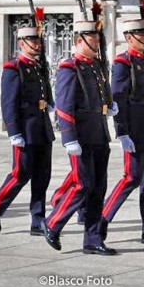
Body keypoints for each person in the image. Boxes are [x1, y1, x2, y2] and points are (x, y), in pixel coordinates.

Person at [41, 20, 118, 255]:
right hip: (81, 135)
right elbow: (64, 105)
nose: (96, 43)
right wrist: (69, 137)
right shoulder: (69, 67)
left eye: (97, 38)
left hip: (99, 133)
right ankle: (53, 222)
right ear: (78, 41)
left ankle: (93, 239)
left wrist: (109, 106)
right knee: (82, 184)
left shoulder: (96, 66)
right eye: (91, 39)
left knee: (98, 188)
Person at [99, 19, 144, 245]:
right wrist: (122, 133)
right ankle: (100, 220)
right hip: (133, 130)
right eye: (141, 34)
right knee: (131, 178)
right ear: (129, 37)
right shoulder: (123, 63)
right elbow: (118, 98)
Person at [0, 24, 55, 235]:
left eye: (38, 41)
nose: (37, 44)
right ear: (21, 43)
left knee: (42, 177)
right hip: (25, 130)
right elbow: (8, 103)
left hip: (42, 128)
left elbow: (45, 89)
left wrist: (49, 101)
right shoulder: (13, 68)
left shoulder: (39, 65)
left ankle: (37, 220)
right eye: (33, 41)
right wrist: (13, 132)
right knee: (20, 174)